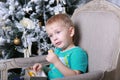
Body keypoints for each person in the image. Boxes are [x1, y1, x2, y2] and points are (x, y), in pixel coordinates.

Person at [32, 14, 88, 80]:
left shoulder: (77, 53)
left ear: (71, 32)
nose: (54, 38)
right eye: (51, 35)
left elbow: (76, 77)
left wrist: (56, 62)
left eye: (58, 32)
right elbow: (53, 71)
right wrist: (42, 68)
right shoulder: (57, 51)